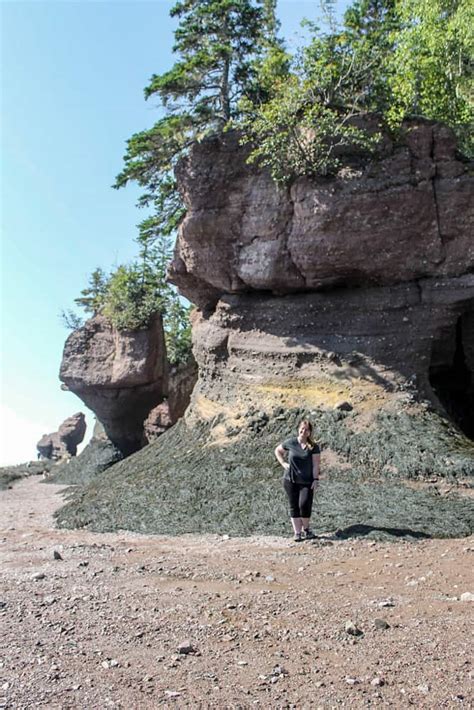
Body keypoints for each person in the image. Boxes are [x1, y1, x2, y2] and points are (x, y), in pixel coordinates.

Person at [274, 419, 321, 542]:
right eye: (302, 428)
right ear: (298, 429)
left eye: (306, 430)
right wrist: (283, 463)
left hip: (307, 481)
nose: (303, 431)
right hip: (290, 480)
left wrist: (315, 479)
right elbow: (278, 451)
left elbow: (316, 464)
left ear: (309, 432)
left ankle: (307, 529)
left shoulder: (314, 447)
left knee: (304, 504)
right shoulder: (291, 442)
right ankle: (297, 533)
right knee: (294, 506)